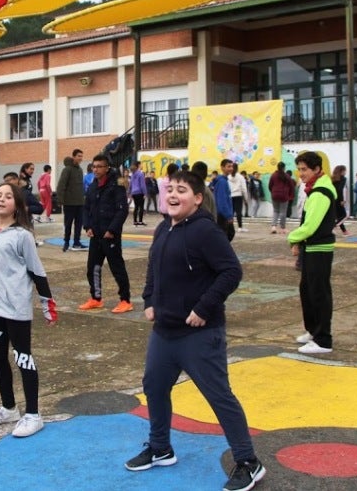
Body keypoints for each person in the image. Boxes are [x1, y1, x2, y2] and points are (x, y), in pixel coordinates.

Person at [125, 170, 265, 491]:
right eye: (170, 189)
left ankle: (248, 461)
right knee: (154, 387)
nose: (173, 195)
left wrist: (204, 308)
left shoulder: (205, 231)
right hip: (164, 332)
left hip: (200, 335)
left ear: (198, 198)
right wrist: (149, 299)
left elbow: (231, 271)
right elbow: (153, 268)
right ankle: (160, 448)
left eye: (182, 190)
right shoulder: (163, 228)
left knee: (218, 396)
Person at [0, 182, 58, 438]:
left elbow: (36, 271)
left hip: (17, 309)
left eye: (8, 196)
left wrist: (47, 303)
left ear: (17, 205)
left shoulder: (23, 236)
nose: (1, 199)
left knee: (23, 358)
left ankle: (33, 414)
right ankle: (9, 408)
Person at [288, 151, 336, 355]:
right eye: (299, 169)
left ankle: (323, 339)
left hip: (319, 248)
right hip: (312, 247)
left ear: (317, 169)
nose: (301, 173)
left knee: (318, 294)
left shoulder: (320, 192)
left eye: (304, 169)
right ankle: (313, 331)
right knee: (307, 291)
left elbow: (310, 226)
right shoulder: (315, 188)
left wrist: (292, 237)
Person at [79, 154, 132, 313]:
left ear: (107, 168)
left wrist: (112, 230)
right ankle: (96, 298)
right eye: (94, 166)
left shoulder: (117, 184)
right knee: (93, 268)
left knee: (117, 268)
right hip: (95, 235)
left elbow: (122, 210)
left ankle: (125, 300)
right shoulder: (93, 184)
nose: (96, 169)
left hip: (110, 235)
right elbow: (86, 207)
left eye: (99, 166)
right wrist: (87, 226)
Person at [56, 149, 86, 252]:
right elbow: (61, 185)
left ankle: (77, 242)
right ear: (73, 157)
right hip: (69, 202)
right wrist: (60, 200)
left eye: (81, 156)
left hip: (80, 202)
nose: (80, 158)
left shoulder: (80, 170)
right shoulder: (67, 169)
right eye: (78, 156)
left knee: (79, 224)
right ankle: (66, 242)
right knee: (68, 224)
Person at [209, 159, 236, 241]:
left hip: (220, 213)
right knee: (227, 235)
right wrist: (228, 216)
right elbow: (222, 200)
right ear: (222, 167)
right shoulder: (222, 182)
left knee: (225, 235)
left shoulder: (222, 180)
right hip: (222, 215)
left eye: (232, 166)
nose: (231, 168)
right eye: (228, 166)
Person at [268, 162, 292, 235]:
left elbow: (270, 185)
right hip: (284, 195)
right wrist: (289, 195)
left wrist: (273, 192)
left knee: (275, 211)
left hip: (275, 195)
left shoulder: (273, 175)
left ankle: (273, 227)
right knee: (283, 212)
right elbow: (291, 186)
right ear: (284, 168)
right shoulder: (287, 176)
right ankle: (282, 228)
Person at [228, 164, 249, 232]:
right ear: (237, 169)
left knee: (231, 212)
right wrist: (246, 199)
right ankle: (240, 227)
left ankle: (229, 226)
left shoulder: (228, 177)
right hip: (238, 196)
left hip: (230, 196)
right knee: (238, 212)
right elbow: (244, 189)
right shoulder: (240, 177)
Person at [332, 165, 350, 235]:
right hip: (339, 200)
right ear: (342, 171)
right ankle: (333, 226)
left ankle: (344, 231)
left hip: (333, 199)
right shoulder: (343, 179)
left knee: (339, 216)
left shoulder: (333, 178)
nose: (345, 172)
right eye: (345, 171)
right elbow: (340, 189)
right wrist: (342, 200)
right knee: (344, 215)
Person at [129, 161, 147, 226]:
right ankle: (140, 221)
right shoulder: (140, 174)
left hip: (134, 192)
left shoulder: (132, 174)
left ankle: (135, 221)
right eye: (141, 164)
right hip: (140, 192)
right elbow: (142, 185)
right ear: (138, 166)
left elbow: (130, 184)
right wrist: (145, 193)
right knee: (141, 207)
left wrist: (130, 192)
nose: (141, 165)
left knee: (136, 207)